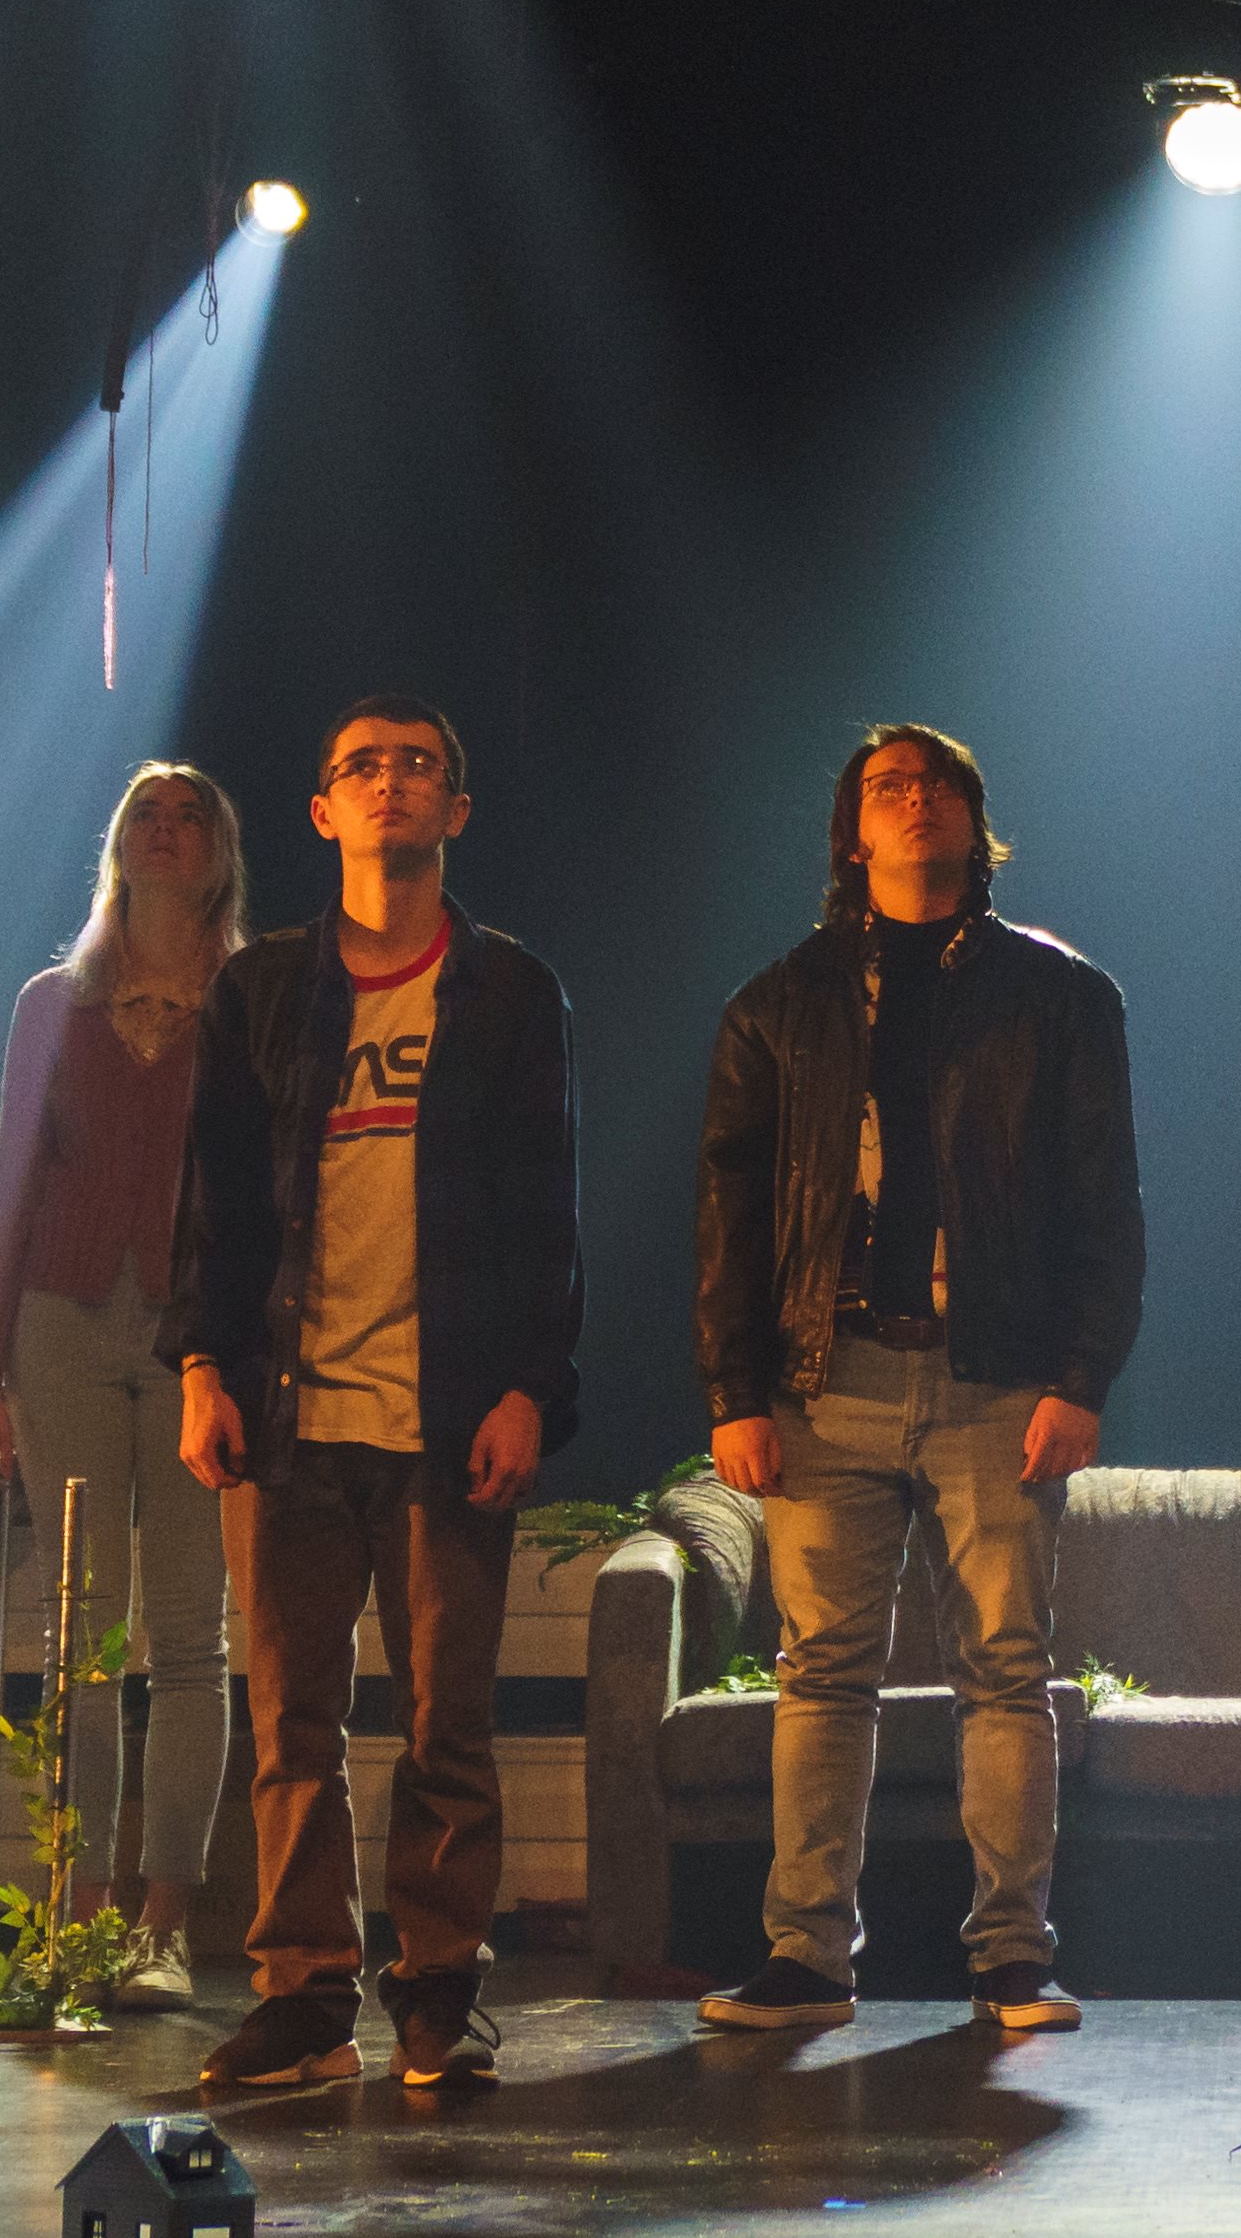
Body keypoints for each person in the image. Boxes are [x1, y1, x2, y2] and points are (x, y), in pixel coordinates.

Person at [689, 724, 1145, 2039]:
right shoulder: (778, 1005)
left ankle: (1011, 1956)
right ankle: (807, 1956)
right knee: (820, 1670)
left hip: (997, 1374)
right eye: (887, 784)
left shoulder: (1059, 998)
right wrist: (733, 1390)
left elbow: (1103, 1204)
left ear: (974, 823)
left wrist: (1080, 1374)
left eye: (938, 782)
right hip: (825, 1380)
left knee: (1004, 1667)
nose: (915, 799)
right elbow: (727, 1209)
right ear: (851, 832)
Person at [177, 697, 585, 2098]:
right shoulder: (266, 988)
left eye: (419, 765)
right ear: (321, 810)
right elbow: (216, 1205)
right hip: (291, 1412)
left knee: (445, 1726)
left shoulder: (510, 991)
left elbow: (548, 1216)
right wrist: (199, 1368)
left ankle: (437, 1989)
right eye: (362, 764)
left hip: (447, 1410)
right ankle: (299, 1997)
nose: (392, 783)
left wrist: (532, 1385)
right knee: (286, 1723)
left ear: (454, 812)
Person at [0, 762, 261, 1999]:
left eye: (195, 814)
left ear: (223, 852)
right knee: (79, 1632)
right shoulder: (53, 1003)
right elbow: (9, 1186)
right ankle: (76, 1917)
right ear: (119, 848)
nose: (171, 827)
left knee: (191, 1636)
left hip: (196, 1341)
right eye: (151, 812)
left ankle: (163, 1925)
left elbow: (263, 1199)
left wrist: (248, 1348)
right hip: (61, 1327)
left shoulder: (252, 995)